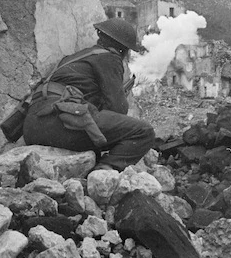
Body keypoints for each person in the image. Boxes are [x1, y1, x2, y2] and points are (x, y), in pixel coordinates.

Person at [23, 18, 155, 171]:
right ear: (123, 49)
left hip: (32, 128)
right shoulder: (110, 58)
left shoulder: (75, 57)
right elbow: (118, 109)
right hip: (59, 125)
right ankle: (104, 170)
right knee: (144, 132)